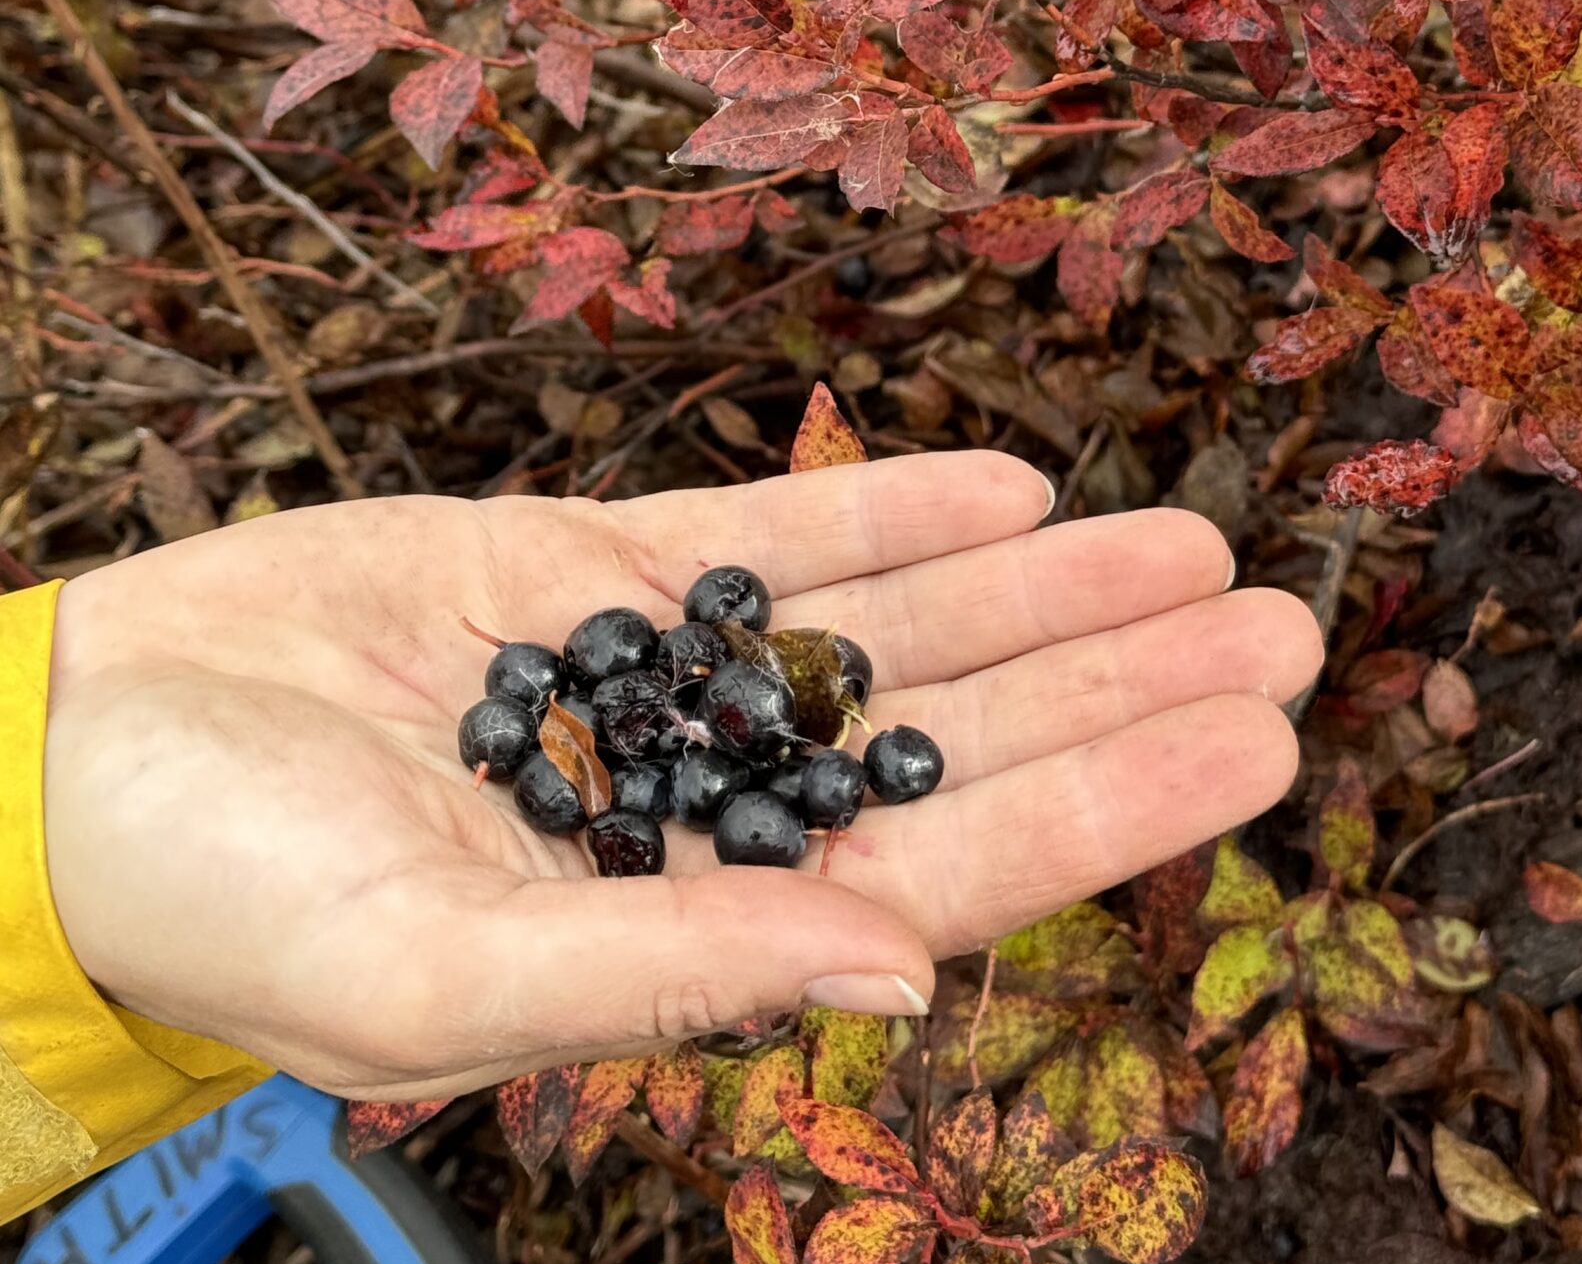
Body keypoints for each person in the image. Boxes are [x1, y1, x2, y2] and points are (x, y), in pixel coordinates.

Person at [1, 451, 1320, 1223]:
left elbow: (719, 728)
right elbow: (637, 735)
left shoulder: (711, 722)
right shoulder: (612, 734)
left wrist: (43, 807)